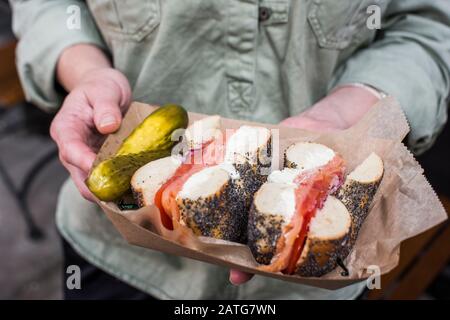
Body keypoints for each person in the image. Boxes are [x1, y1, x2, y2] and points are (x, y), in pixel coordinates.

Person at [10, 0, 450, 299]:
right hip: (115, 249)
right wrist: (85, 71)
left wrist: (350, 109)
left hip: (310, 282)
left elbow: (430, 24)